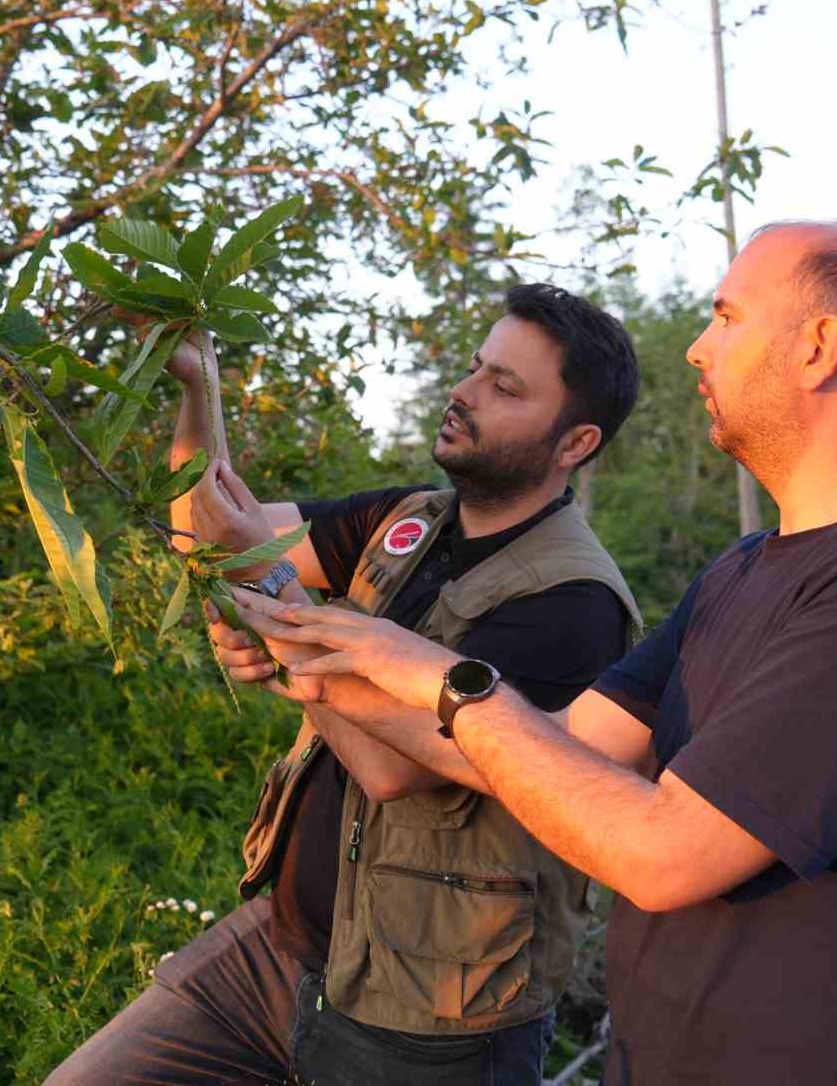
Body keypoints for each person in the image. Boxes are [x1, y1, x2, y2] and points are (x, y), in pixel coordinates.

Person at [225, 222, 837, 1084]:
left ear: (818, 347)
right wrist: (315, 651)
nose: (698, 349)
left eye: (726, 318)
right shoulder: (744, 568)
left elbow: (662, 854)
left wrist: (440, 676)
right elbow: (551, 748)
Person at [47, 284, 644, 1085]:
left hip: (430, 1014)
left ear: (574, 443)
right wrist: (199, 383)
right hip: (285, 950)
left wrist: (285, 627)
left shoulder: (572, 599)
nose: (462, 394)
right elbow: (212, 533)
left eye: (504, 388)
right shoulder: (409, 519)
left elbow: (396, 768)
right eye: (474, 369)